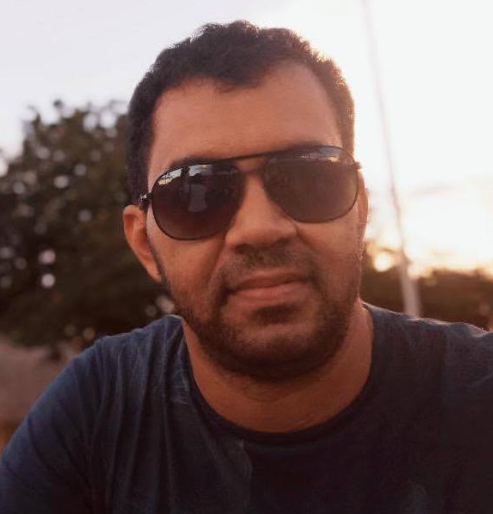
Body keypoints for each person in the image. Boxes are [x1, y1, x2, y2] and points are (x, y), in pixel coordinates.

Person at [1, 20, 493, 514]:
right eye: (194, 193)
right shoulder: (100, 407)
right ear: (145, 244)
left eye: (308, 176)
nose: (259, 228)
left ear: (359, 209)